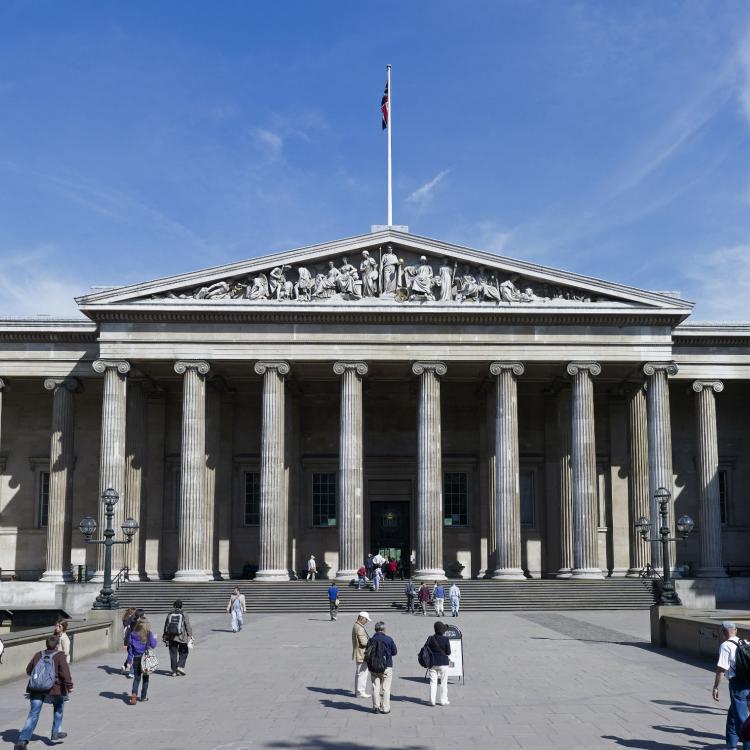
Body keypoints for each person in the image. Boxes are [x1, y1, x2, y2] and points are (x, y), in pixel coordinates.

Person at [14, 635, 73, 748]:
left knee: (33, 714)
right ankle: (55, 732)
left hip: (36, 688)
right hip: (55, 689)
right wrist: (69, 686)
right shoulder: (60, 656)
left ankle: (22, 741)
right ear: (57, 645)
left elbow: (28, 670)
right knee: (59, 707)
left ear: (46, 644)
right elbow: (65, 673)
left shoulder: (38, 654)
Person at [712, 621, 750, 750]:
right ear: (736, 630)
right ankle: (731, 745)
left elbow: (721, 669)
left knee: (742, 720)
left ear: (723, 632)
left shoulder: (725, 646)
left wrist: (716, 687)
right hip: (748, 682)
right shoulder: (746, 643)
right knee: (733, 716)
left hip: (738, 685)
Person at [367, 621, 398, 714]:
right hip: (386, 666)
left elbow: (367, 653)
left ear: (375, 630)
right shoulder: (389, 639)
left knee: (375, 687)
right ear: (384, 629)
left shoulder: (371, 640)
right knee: (386, 688)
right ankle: (385, 708)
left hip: (373, 667)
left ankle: (376, 707)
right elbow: (395, 652)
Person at [127, 615, 157, 705]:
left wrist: (129, 660)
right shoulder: (148, 633)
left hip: (136, 658)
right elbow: (153, 645)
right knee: (145, 678)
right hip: (145, 659)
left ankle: (134, 695)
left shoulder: (133, 634)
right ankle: (143, 697)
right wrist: (154, 638)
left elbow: (130, 648)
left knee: (136, 678)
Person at [425, 621, 452, 707]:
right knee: (444, 682)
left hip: (432, 663)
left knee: (433, 682)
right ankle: (443, 700)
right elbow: (448, 652)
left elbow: (426, 650)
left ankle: (432, 701)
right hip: (443, 663)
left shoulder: (430, 638)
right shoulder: (446, 639)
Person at [163, 600, 192, 677]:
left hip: (171, 637)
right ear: (181, 606)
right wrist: (190, 635)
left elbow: (166, 625)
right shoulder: (184, 613)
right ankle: (180, 666)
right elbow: (187, 625)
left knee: (173, 654)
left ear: (174, 606)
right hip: (182, 637)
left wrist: (165, 635)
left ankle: (174, 671)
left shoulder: (170, 613)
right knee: (184, 652)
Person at [351, 611, 371, 698]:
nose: (366, 621)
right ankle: (360, 692)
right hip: (362, 653)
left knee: (359, 673)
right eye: (366, 620)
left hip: (358, 652)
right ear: (362, 618)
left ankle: (358, 691)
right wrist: (371, 642)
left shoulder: (356, 625)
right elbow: (363, 642)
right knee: (363, 673)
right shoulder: (360, 628)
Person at [121, 607, 138, 677]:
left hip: (127, 639)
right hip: (131, 639)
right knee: (133, 655)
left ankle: (125, 666)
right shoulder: (132, 620)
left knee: (130, 654)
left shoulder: (125, 619)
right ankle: (131, 671)